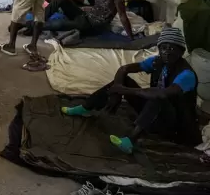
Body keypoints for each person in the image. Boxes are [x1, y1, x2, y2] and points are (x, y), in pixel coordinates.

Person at [61, 27, 202, 153]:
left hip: (176, 126)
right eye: (163, 48)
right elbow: (124, 69)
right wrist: (118, 91)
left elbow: (162, 94)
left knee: (156, 96)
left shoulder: (186, 75)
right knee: (123, 80)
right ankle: (87, 106)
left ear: (181, 51)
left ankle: (130, 141)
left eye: (172, 48)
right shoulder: (158, 61)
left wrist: (124, 91)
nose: (166, 52)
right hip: (157, 115)